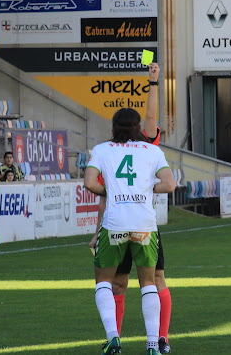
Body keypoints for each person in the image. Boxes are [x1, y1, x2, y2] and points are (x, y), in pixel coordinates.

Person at [88, 63, 174, 354]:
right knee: (141, 281)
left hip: (116, 221)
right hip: (142, 221)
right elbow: (168, 183)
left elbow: (99, 193)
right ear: (138, 128)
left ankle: (148, 338)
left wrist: (153, 83)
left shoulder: (105, 151)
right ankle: (152, 341)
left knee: (117, 282)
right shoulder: (150, 149)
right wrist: (153, 81)